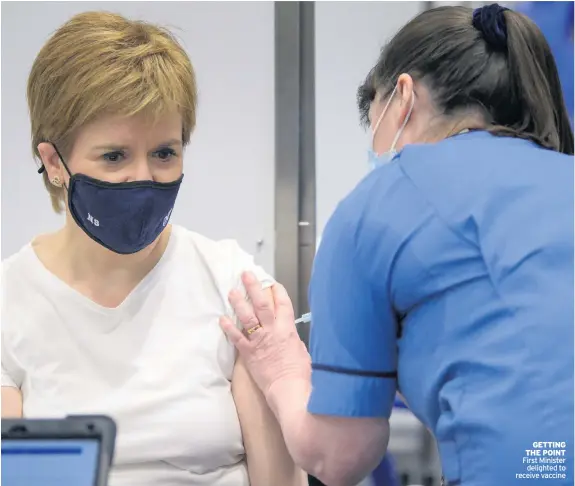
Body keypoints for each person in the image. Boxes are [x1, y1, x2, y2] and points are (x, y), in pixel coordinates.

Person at [220, 4, 574, 486]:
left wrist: (281, 364)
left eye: (376, 122)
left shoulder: (377, 205)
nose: (378, 150)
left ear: (402, 96)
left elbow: (339, 456)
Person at [0, 11, 306, 486]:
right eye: (114, 155)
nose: (142, 177)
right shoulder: (9, 301)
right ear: (53, 161)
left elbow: (281, 482)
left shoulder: (232, 286)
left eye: (164, 153)